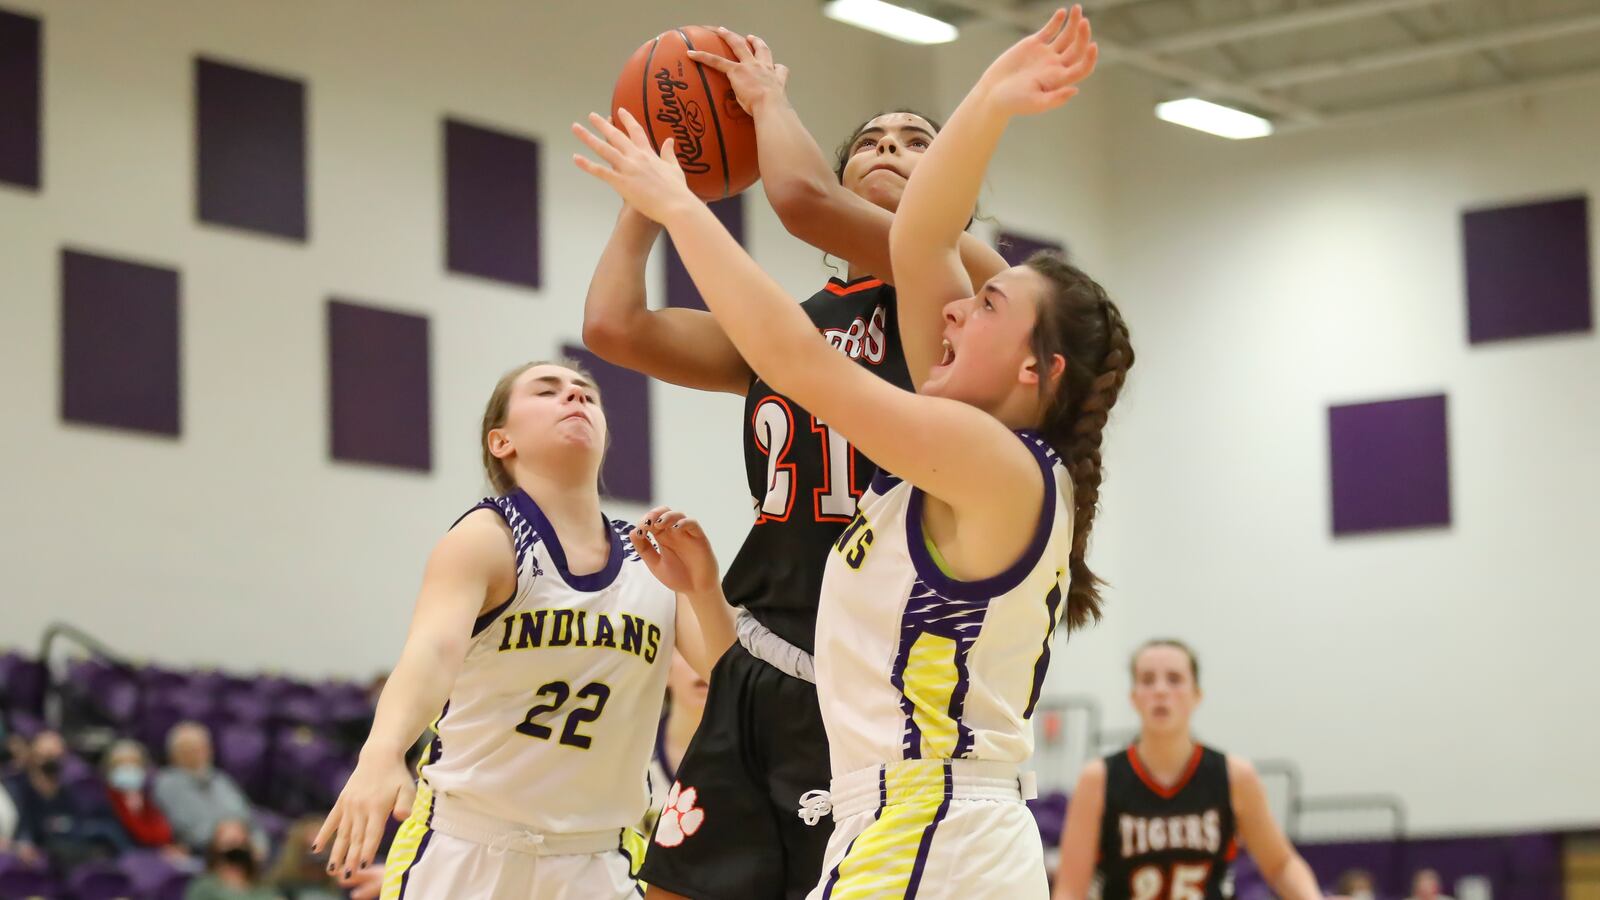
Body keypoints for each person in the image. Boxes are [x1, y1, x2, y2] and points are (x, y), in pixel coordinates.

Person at [572, 7, 1116, 896]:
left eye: (982, 306)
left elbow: (811, 259)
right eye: (873, 139)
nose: (956, 310)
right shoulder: (954, 396)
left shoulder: (986, 444)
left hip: (926, 807)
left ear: (1030, 362)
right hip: (812, 706)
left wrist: (698, 170)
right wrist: (989, 98)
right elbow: (628, 324)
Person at [313, 361, 737, 900]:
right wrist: (382, 752)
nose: (574, 398)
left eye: (586, 393)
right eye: (548, 390)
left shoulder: (652, 558)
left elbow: (733, 680)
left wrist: (704, 590)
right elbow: (433, 652)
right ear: (501, 440)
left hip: (599, 859)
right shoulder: (486, 537)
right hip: (467, 846)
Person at [1053, 640, 1326, 900]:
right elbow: (1069, 889)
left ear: (1197, 695)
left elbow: (1280, 863)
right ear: (1134, 697)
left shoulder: (1234, 775)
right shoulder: (1098, 779)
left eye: (1174, 679)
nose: (1160, 690)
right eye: (1147, 680)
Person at [5, 729, 126, 868]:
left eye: (56, 755)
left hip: (68, 839)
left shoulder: (65, 789)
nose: (51, 760)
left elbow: (74, 820)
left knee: (105, 834)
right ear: (34, 755)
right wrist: (22, 844)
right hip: (38, 843)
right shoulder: (18, 786)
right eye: (46, 755)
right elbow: (22, 826)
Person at [153, 722, 257, 852]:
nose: (202, 753)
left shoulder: (221, 779)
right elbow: (185, 831)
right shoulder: (168, 784)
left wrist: (258, 843)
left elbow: (249, 817)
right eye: (192, 749)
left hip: (245, 847)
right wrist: (224, 834)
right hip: (207, 852)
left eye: (204, 747)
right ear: (175, 755)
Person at [643, 652, 708, 838]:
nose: (701, 665)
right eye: (688, 650)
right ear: (666, 670)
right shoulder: (632, 752)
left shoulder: (756, 755)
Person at [103, 738, 188, 857]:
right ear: (110, 769)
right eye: (121, 763)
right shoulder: (105, 801)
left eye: (134, 763)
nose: (128, 768)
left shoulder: (149, 797)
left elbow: (163, 829)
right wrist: (158, 852)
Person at [185, 818, 281, 900]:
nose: (235, 849)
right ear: (215, 848)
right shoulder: (204, 887)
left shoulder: (262, 888)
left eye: (241, 842)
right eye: (229, 843)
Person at [267, 817, 344, 900]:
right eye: (308, 851)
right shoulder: (280, 886)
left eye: (324, 851)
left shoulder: (345, 885)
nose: (317, 859)